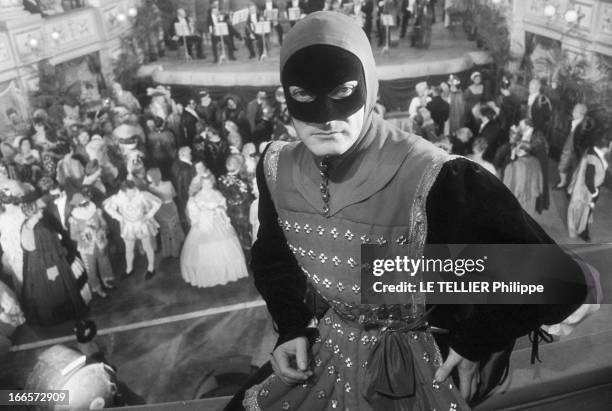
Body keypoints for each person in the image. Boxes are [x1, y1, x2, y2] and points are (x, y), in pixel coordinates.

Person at [229, 11, 587, 410]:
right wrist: (293, 325)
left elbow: (556, 280)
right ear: (286, 93)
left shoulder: (438, 177)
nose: (327, 117)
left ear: (370, 83)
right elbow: (274, 256)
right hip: (327, 350)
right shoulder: (276, 167)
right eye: (304, 97)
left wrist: (473, 341)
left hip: (417, 368)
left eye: (344, 90)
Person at [20, 192, 90, 326]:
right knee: (54, 288)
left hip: (55, 260)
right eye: (40, 209)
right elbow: (29, 248)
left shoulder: (42, 221)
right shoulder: (29, 228)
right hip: (45, 265)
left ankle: (67, 313)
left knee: (61, 287)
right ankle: (58, 316)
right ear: (33, 210)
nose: (43, 210)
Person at [180, 172, 249, 288]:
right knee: (204, 248)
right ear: (201, 184)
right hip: (204, 224)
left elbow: (223, 206)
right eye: (205, 184)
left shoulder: (217, 194)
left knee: (224, 247)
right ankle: (209, 276)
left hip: (218, 222)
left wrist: (219, 209)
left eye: (209, 183)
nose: (208, 186)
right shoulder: (196, 197)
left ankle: (225, 274)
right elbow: (193, 212)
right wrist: (205, 212)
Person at [103, 180, 162, 279]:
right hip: (128, 226)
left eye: (134, 189)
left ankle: (151, 268)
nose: (134, 192)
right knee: (129, 249)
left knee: (147, 247)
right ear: (124, 191)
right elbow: (108, 207)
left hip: (141, 224)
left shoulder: (141, 195)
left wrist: (148, 215)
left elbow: (157, 202)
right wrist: (120, 218)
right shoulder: (119, 198)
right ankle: (129, 269)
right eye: (131, 191)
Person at [69, 192, 114, 299]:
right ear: (77, 205)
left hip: (100, 243)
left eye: (86, 203)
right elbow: (73, 235)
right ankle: (97, 288)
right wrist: (84, 235)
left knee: (104, 263)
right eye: (82, 204)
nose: (86, 205)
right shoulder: (74, 219)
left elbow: (104, 226)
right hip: (86, 248)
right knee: (91, 269)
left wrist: (101, 227)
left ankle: (106, 281)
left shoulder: (95, 211)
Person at [567, 134, 611, 242]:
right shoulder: (592, 158)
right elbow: (588, 179)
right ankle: (583, 231)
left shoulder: (595, 151)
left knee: (588, 209)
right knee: (586, 210)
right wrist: (594, 192)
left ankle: (583, 226)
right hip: (589, 190)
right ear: (604, 148)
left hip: (593, 188)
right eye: (610, 146)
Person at [502, 121, 543, 215]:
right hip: (532, 194)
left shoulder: (512, 166)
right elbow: (540, 178)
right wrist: (539, 190)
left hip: (518, 196)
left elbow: (506, 185)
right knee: (529, 216)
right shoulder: (536, 161)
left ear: (519, 151)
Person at [146, 168, 185, 259]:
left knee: (164, 232)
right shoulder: (169, 183)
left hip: (160, 210)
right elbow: (174, 194)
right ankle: (176, 252)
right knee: (174, 230)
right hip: (171, 207)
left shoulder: (150, 188)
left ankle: (166, 252)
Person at [218, 154, 254, 251]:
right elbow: (246, 198)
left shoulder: (221, 179)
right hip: (243, 213)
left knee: (235, 236)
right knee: (246, 238)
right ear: (239, 166)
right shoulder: (242, 182)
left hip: (229, 212)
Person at [557, 103, 593, 189]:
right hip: (568, 149)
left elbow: (585, 141)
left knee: (575, 169)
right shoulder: (572, 122)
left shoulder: (585, 125)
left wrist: (579, 150)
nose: (573, 113)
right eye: (574, 111)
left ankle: (572, 189)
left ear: (582, 114)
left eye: (576, 112)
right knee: (562, 165)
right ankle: (563, 182)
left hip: (577, 151)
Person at [170, 146, 196, 231]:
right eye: (190, 153)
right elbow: (186, 186)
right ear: (184, 154)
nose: (191, 155)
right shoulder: (186, 169)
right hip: (186, 197)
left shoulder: (176, 163)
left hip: (181, 197)